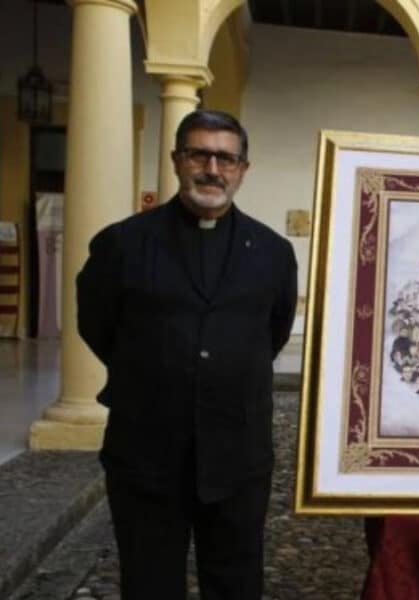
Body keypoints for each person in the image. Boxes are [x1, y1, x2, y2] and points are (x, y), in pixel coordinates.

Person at [77, 109, 298, 600]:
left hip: (239, 454)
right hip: (146, 452)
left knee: (236, 581)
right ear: (177, 160)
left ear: (243, 168)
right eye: (199, 154)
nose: (212, 169)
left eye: (225, 157)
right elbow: (95, 324)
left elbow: (272, 333)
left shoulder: (273, 252)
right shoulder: (123, 244)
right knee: (149, 581)